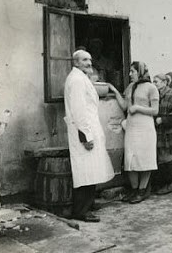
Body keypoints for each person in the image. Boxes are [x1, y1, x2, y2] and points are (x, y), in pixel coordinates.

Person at [64, 50, 114, 222]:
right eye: (85, 60)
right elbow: (78, 110)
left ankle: (88, 204)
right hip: (83, 131)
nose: (89, 62)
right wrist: (85, 136)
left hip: (89, 128)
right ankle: (81, 211)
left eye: (90, 59)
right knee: (85, 171)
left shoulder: (81, 77)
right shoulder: (77, 80)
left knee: (91, 169)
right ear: (76, 62)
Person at [109, 62, 160, 204]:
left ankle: (142, 191)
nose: (130, 74)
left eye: (133, 71)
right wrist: (114, 90)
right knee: (130, 159)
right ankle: (134, 189)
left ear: (141, 72)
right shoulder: (131, 87)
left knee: (145, 159)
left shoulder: (151, 88)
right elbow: (125, 106)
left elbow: (155, 111)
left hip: (145, 127)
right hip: (132, 127)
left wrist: (138, 107)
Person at [152, 74, 172, 194]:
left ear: (165, 83)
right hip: (158, 133)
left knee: (168, 159)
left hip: (168, 134)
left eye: (156, 82)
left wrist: (164, 120)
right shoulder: (155, 96)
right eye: (153, 82)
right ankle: (164, 184)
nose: (154, 84)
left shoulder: (171, 96)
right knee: (161, 159)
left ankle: (170, 184)